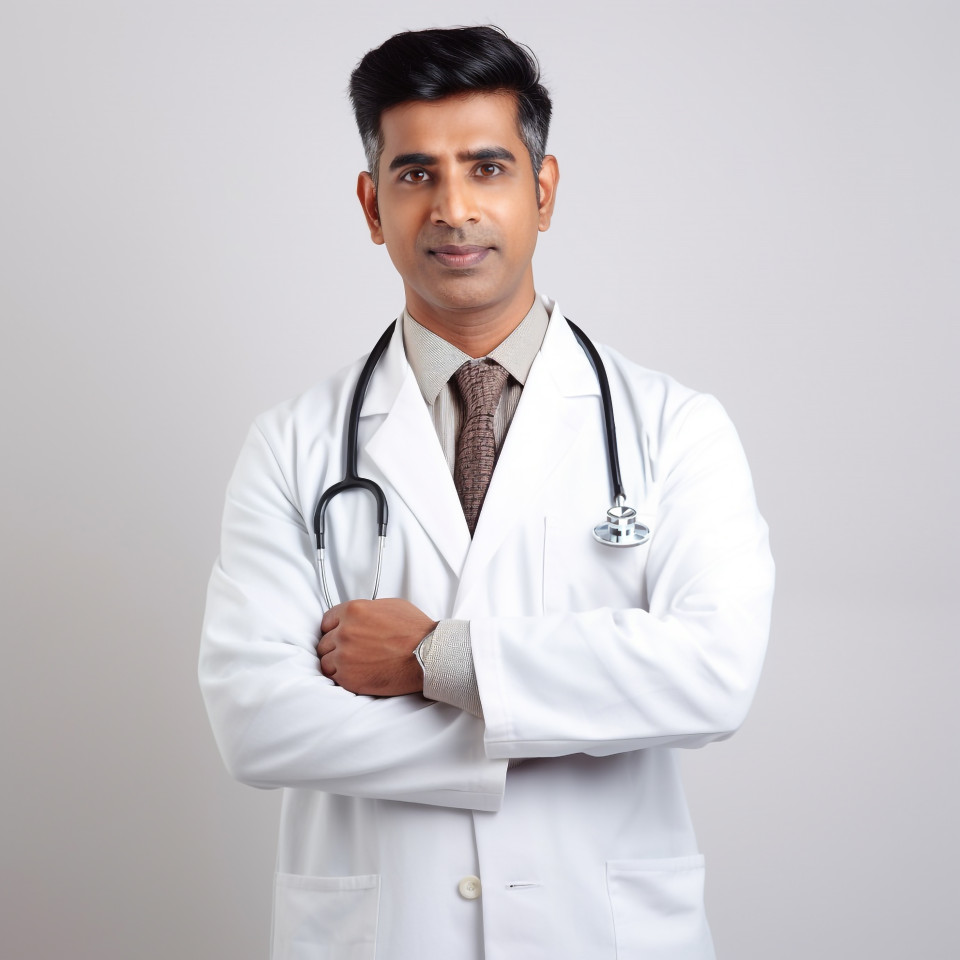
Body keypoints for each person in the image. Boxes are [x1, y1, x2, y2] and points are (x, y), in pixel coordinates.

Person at [199, 24, 774, 960]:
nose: (453, 208)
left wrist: (435, 657)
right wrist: (553, 725)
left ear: (542, 193)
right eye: (417, 173)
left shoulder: (675, 428)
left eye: (488, 168)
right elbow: (257, 723)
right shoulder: (292, 445)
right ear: (370, 204)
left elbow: (711, 673)